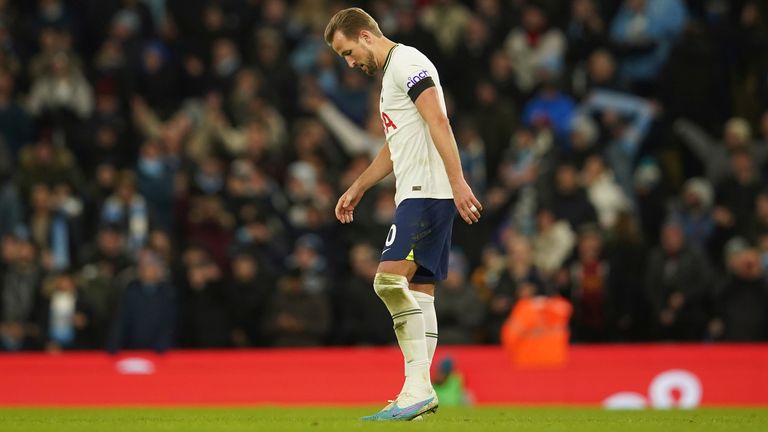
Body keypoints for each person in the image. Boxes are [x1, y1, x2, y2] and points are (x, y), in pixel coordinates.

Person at [324, 7, 482, 421]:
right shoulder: (393, 73)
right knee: (419, 293)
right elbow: (397, 145)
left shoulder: (407, 62)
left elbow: (439, 121)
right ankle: (416, 391)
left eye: (347, 52)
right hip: (422, 191)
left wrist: (458, 180)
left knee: (388, 282)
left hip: (426, 193)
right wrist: (358, 186)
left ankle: (418, 389)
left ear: (365, 36)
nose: (350, 62)